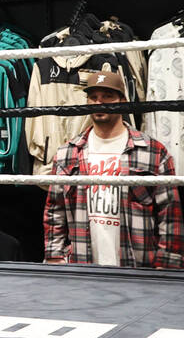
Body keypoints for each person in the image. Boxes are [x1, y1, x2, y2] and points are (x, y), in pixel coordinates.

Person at [44, 69, 182, 268]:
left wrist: (167, 265)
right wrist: (54, 257)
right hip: (82, 267)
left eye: (107, 97)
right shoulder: (67, 154)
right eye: (93, 97)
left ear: (123, 100)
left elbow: (170, 214)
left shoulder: (153, 152)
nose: (99, 103)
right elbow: (54, 211)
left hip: (138, 268)